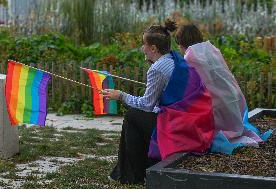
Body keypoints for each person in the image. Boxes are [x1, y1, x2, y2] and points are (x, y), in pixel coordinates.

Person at [101, 20, 214, 185]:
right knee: (137, 117)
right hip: (194, 122)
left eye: (143, 44)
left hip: (180, 125)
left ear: (153, 48)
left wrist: (121, 96)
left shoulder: (157, 69)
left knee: (132, 116)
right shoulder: (173, 59)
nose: (142, 48)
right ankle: (127, 170)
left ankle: (134, 175)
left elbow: (147, 104)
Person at [174, 24, 273, 154]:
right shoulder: (211, 49)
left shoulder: (190, 56)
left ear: (181, 43)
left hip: (217, 104)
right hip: (233, 97)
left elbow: (188, 87)